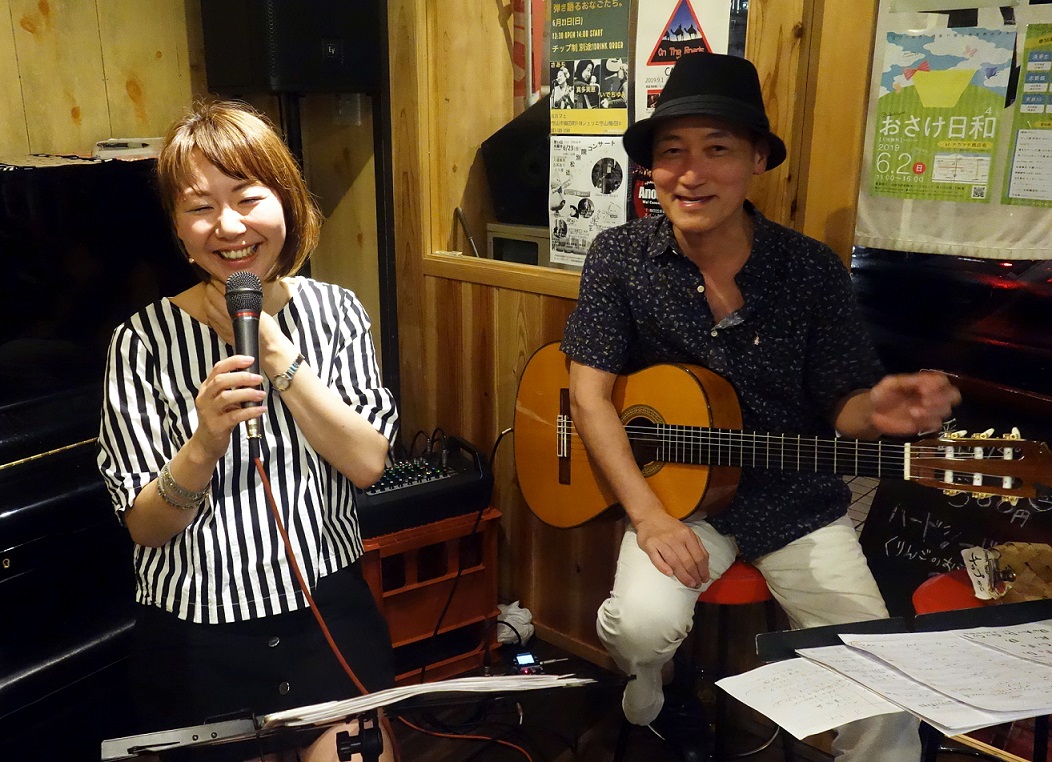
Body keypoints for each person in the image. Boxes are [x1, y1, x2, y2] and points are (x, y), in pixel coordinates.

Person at [560, 53, 960, 761]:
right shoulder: (619, 257)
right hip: (680, 501)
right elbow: (588, 397)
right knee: (639, 629)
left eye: (717, 149)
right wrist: (648, 517)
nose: (691, 173)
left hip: (796, 501)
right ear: (651, 168)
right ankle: (653, 680)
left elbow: (844, 402)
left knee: (882, 693)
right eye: (672, 151)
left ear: (755, 161)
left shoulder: (809, 268)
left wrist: (879, 411)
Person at [97, 100, 399, 761]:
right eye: (200, 206)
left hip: (325, 612)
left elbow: (367, 463)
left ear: (286, 202)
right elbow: (146, 526)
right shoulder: (140, 341)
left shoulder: (337, 312)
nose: (229, 225)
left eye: (247, 197)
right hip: (197, 632)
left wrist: (278, 355)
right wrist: (204, 442)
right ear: (179, 229)